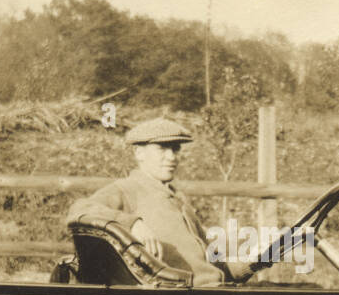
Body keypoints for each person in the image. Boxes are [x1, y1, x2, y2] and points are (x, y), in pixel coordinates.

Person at [65, 118, 252, 286]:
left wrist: (257, 261)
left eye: (175, 149)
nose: (172, 157)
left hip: (214, 291)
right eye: (162, 148)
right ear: (139, 153)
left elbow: (213, 263)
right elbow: (79, 209)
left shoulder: (178, 200)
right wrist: (133, 224)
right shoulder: (127, 189)